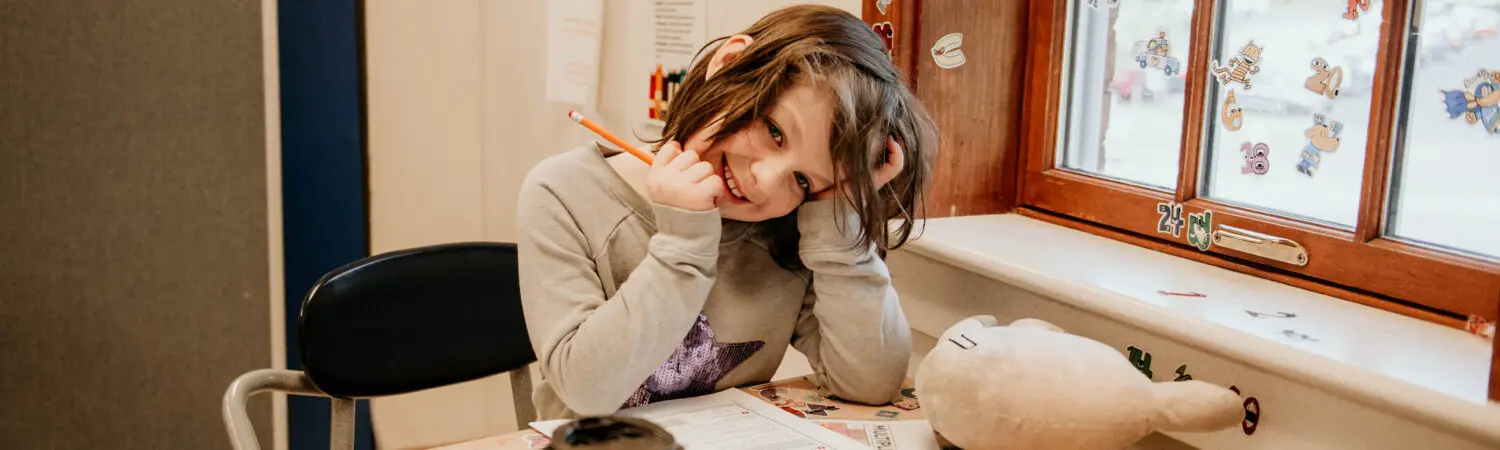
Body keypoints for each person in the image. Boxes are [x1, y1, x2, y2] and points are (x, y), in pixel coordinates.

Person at [516, 5, 938, 419]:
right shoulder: (563, 190)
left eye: (804, 180)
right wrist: (683, 245)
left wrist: (843, 216)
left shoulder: (792, 226)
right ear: (728, 62)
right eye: (774, 131)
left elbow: (870, 382)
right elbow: (588, 390)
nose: (765, 180)